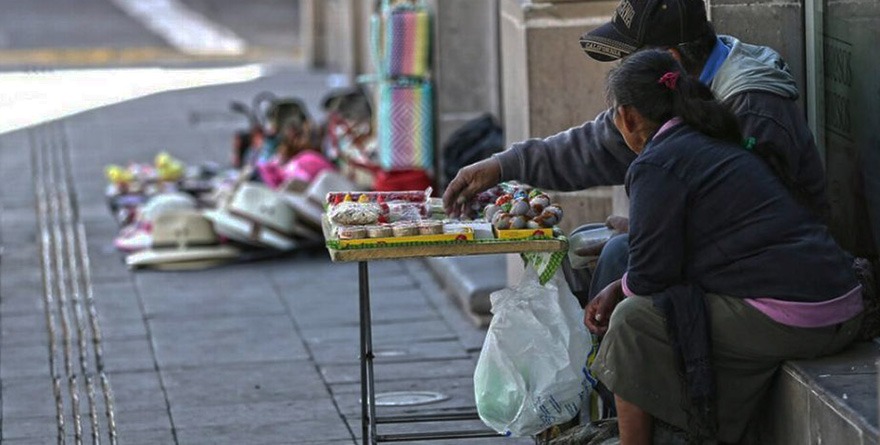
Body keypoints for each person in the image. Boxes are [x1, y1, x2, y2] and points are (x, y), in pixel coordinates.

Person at [442, 0, 827, 305]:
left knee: (617, 260)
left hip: (775, 274)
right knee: (581, 247)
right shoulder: (670, 92)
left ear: (670, 60)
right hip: (717, 246)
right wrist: (503, 164)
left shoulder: (753, 107)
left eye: (632, 60)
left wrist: (656, 230)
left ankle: (620, 395)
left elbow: (758, 220)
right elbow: (596, 144)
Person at [583, 48, 863, 444]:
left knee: (630, 322)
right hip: (840, 302)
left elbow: (649, 276)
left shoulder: (657, 162)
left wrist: (616, 290)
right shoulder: (709, 138)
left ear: (627, 117)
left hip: (804, 316)